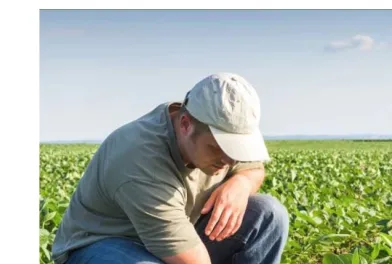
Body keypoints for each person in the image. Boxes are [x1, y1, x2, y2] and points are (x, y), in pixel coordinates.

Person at [51, 72, 290, 264]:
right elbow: (192, 260)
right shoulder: (139, 156)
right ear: (185, 124)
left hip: (181, 235)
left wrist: (242, 183)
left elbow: (254, 169)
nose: (229, 160)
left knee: (268, 213)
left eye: (237, 148)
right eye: (219, 147)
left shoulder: (217, 129)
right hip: (104, 246)